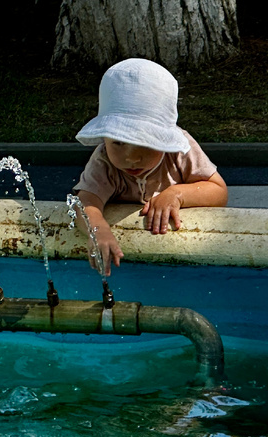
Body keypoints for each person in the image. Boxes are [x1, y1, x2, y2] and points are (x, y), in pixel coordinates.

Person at [73, 58, 228, 275]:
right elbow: (85, 201)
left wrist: (177, 194)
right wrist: (97, 230)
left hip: (180, 258)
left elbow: (218, 191)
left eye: (145, 143)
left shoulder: (179, 150)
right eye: (118, 142)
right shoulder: (104, 159)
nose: (132, 157)